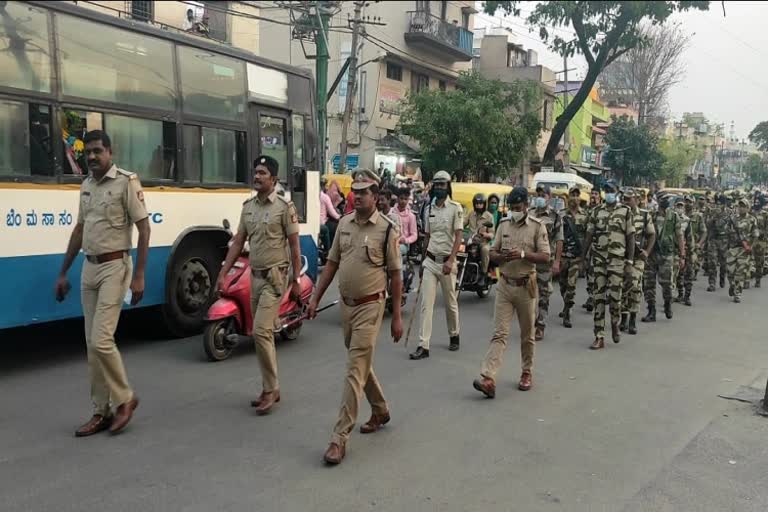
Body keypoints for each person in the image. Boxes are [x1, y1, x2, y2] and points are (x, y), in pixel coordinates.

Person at [54, 130, 150, 436]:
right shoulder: (86, 185)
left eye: (98, 151)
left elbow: (144, 230)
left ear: (110, 152)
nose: (92, 156)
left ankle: (125, 398)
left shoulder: (126, 181)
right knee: (91, 346)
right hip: (89, 268)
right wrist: (63, 272)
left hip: (115, 266)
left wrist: (139, 276)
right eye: (89, 152)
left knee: (101, 339)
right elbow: (79, 231)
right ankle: (101, 411)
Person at [307, 169, 403, 465]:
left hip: (371, 307)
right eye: (355, 191)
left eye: (363, 192)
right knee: (360, 364)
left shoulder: (387, 229)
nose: (357, 195)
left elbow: (396, 275)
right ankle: (380, 409)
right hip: (346, 307)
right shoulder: (344, 223)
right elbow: (332, 263)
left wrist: (397, 316)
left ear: (376, 196)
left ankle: (339, 437)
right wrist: (314, 298)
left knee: (354, 369)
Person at [217, 155, 302, 415]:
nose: (257, 176)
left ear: (274, 179)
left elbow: (295, 247)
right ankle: (269, 385)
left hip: (275, 278)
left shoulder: (284, 208)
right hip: (254, 277)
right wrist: (223, 272)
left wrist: (296, 280)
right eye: (255, 172)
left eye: (263, 173)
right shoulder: (248, 207)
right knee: (259, 332)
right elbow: (239, 241)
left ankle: (271, 389)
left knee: (262, 332)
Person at [472, 187, 550, 396]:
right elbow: (493, 252)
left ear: (526, 206)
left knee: (527, 334)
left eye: (518, 207)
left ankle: (526, 372)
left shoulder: (537, 227)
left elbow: (545, 256)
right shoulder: (504, 224)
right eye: (512, 207)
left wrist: (524, 254)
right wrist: (500, 257)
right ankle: (488, 377)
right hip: (505, 285)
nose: (515, 211)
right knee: (499, 334)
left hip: (526, 286)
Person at [410, 171, 463, 359]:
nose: (439, 188)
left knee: (450, 303)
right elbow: (427, 236)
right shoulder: (428, 208)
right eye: (437, 185)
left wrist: (451, 260)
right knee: (426, 304)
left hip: (447, 262)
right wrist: (423, 263)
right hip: (431, 261)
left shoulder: (456, 209)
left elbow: (458, 237)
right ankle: (423, 345)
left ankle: (454, 334)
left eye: (443, 185)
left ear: (448, 187)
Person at [582, 181, 634, 349]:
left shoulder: (625, 212)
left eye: (611, 190)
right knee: (598, 297)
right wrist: (583, 258)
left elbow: (630, 238)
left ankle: (615, 322)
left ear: (617, 192)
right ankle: (599, 335)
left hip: (617, 261)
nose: (608, 193)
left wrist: (630, 262)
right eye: (606, 191)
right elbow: (589, 235)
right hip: (599, 260)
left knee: (615, 298)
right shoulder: (596, 212)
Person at [642, 194, 684, 322]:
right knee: (648, 284)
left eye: (667, 200)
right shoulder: (651, 215)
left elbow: (679, 236)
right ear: (658, 201)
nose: (665, 202)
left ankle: (667, 305)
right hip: (652, 254)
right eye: (662, 199)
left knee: (666, 284)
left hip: (667, 254)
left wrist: (682, 255)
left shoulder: (673, 216)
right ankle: (651, 310)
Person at [620, 188, 655, 336]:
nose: (626, 202)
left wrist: (647, 251)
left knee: (634, 285)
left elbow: (652, 234)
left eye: (629, 199)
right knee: (622, 286)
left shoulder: (645, 215)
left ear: (637, 200)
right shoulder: (619, 214)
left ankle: (633, 318)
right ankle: (624, 317)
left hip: (637, 258)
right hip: (621, 256)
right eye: (624, 199)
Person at [530, 185, 563, 340]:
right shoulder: (529, 213)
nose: (540, 197)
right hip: (529, 259)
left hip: (545, 261)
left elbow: (559, 240)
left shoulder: (555, 216)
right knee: (527, 293)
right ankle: (529, 321)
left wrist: (557, 262)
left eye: (543, 195)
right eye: (539, 194)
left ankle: (541, 324)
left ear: (549, 197)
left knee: (544, 294)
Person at [558, 186, 588, 328]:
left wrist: (584, 258)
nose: (575, 197)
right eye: (572, 194)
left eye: (577, 195)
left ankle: (568, 312)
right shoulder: (561, 214)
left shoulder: (585, 216)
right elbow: (556, 236)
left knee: (571, 285)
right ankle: (566, 305)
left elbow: (588, 237)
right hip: (563, 256)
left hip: (576, 257)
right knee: (563, 285)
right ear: (568, 197)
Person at [726, 198, 758, 303]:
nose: (741, 208)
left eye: (743, 206)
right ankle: (732, 285)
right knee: (730, 271)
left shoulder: (752, 219)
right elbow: (725, 230)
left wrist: (750, 246)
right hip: (733, 248)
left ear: (748, 208)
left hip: (744, 250)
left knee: (740, 272)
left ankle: (737, 293)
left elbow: (755, 235)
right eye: (740, 206)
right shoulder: (733, 218)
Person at [464, 193, 495, 287]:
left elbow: (492, 233)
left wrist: (486, 234)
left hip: (482, 242)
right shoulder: (471, 213)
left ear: (484, 204)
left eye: (480, 203)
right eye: (477, 203)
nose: (478, 205)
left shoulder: (489, 216)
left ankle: (483, 274)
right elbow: (463, 223)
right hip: (471, 240)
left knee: (485, 250)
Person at [583, 189, 603, 312]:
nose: (593, 196)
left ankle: (596, 296)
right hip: (587, 245)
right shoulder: (585, 210)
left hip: (599, 246)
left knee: (598, 273)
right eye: (592, 194)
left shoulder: (603, 211)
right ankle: (591, 296)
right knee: (589, 272)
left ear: (600, 197)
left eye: (596, 194)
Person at [706, 193, 729, 292]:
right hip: (713, 240)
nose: (718, 206)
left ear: (724, 204)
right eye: (717, 203)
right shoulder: (712, 212)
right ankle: (712, 283)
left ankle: (722, 278)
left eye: (721, 204)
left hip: (724, 241)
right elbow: (706, 224)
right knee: (712, 263)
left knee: (723, 264)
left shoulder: (730, 213)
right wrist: (714, 218)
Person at [394, 187, 418, 262]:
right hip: (390, 242)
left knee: (395, 251)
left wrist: (406, 240)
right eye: (401, 198)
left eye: (405, 199)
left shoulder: (411, 216)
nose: (403, 201)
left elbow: (414, 235)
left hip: (402, 245)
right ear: (397, 199)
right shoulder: (391, 212)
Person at [319, 177, 341, 253]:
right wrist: (340, 217)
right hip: (322, 223)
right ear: (323, 186)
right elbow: (333, 213)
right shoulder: (324, 197)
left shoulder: (312, 194)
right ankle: (328, 251)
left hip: (314, 222)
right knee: (330, 228)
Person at [752, 193, 768, 287]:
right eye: (755, 201)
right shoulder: (750, 212)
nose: (756, 203)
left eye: (758, 201)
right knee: (749, 260)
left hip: (761, 241)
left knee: (759, 262)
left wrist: (764, 235)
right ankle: (746, 280)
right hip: (751, 240)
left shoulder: (765, 214)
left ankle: (758, 279)